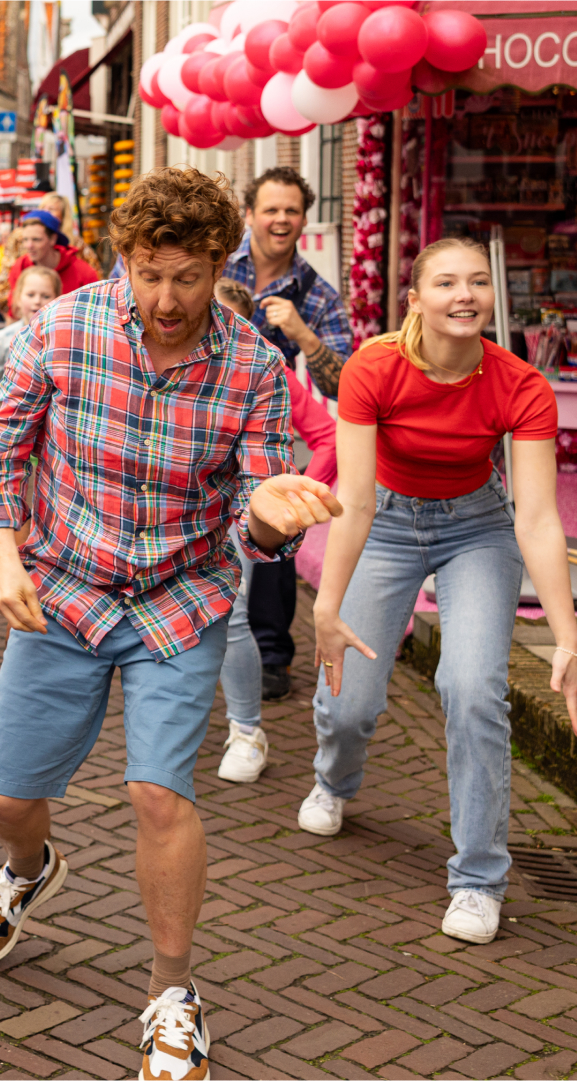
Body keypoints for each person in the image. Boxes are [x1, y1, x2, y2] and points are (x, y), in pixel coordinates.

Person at [0, 167, 338, 1081]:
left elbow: (254, 503)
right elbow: (2, 449)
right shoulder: (60, 327)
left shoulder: (253, 363)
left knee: (158, 794)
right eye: (149, 273)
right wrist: (5, 555)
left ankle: (173, 989)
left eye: (188, 276)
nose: (166, 298)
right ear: (123, 261)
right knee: (5, 802)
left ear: (220, 263)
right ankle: (27, 865)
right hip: (62, 585)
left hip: (181, 594)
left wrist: (271, 513)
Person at [306, 237, 577, 946]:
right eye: (447, 282)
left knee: (473, 687)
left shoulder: (520, 384)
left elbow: (540, 517)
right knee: (349, 701)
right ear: (416, 297)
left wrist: (567, 635)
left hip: (477, 528)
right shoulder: (374, 367)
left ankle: (479, 878)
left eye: (478, 283)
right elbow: (356, 502)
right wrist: (328, 608)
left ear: (492, 296)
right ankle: (334, 780)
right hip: (389, 520)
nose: (465, 295)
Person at [224, 166, 359, 701]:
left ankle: (272, 656)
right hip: (199, 420)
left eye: (291, 211)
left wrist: (299, 330)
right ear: (250, 214)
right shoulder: (216, 262)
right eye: (270, 209)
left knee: (276, 532)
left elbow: (348, 384)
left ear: (304, 219)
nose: (280, 219)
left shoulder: (316, 293)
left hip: (267, 428)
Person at [211, 278, 338, 784]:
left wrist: (298, 495)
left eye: (228, 319)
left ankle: (246, 731)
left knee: (233, 613)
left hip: (240, 510)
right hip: (172, 509)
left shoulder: (268, 371)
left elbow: (328, 435)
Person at [0, 264, 60, 393]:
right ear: (18, 298)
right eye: (30, 295)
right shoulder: (2, 339)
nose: (37, 301)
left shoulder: (61, 340)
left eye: (46, 296)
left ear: (57, 299)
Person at [0, 209, 99, 302]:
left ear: (53, 239)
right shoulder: (20, 266)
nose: (29, 246)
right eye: (25, 239)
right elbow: (14, 309)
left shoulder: (83, 272)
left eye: (36, 239)